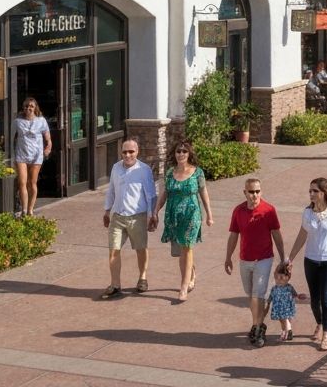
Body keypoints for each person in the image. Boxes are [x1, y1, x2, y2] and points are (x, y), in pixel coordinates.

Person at [287, 177, 327, 351]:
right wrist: (290, 258)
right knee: (314, 300)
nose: (311, 194)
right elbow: (302, 236)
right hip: (311, 260)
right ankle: (319, 322)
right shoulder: (307, 213)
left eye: (315, 191)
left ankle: (326, 335)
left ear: (324, 193)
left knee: (326, 298)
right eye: (310, 191)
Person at [225, 177, 286, 347]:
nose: (254, 195)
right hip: (245, 259)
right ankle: (258, 324)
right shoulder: (238, 211)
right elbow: (233, 235)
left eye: (257, 191)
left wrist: (283, 258)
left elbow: (277, 235)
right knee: (251, 294)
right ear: (245, 192)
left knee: (257, 295)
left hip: (264, 259)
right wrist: (228, 257)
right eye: (251, 192)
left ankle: (257, 328)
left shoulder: (269, 210)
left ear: (261, 191)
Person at [151, 140, 213, 302]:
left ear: (189, 154)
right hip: (173, 216)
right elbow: (164, 193)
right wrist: (155, 211)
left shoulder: (197, 172)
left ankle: (183, 287)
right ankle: (190, 272)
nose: (181, 154)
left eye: (184, 151)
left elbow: (203, 193)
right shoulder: (170, 172)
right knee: (180, 251)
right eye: (178, 151)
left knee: (186, 247)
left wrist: (209, 214)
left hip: (192, 214)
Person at [100, 138, 156, 299]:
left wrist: (152, 215)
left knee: (141, 249)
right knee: (113, 250)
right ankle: (115, 284)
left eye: (131, 151)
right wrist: (106, 210)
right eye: (124, 152)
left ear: (137, 152)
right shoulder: (116, 168)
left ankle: (142, 277)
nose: (127, 155)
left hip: (137, 216)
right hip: (117, 216)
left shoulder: (143, 170)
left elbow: (151, 194)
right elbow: (111, 190)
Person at [12, 97, 51, 217]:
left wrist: (48, 146)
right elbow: (11, 137)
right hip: (21, 154)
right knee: (22, 182)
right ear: (23, 108)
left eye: (31, 106)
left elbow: (47, 137)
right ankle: (24, 210)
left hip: (36, 154)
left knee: (32, 182)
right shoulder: (17, 121)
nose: (28, 108)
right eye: (26, 106)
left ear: (35, 108)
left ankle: (30, 209)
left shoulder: (41, 121)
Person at [268, 261, 297, 342]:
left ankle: (288, 331)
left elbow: (295, 294)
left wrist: (299, 296)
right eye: (276, 277)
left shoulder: (289, 287)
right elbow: (271, 296)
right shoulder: (275, 288)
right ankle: (285, 332)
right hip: (280, 308)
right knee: (283, 321)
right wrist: (268, 301)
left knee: (284, 320)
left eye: (281, 277)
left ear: (288, 278)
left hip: (286, 307)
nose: (278, 279)